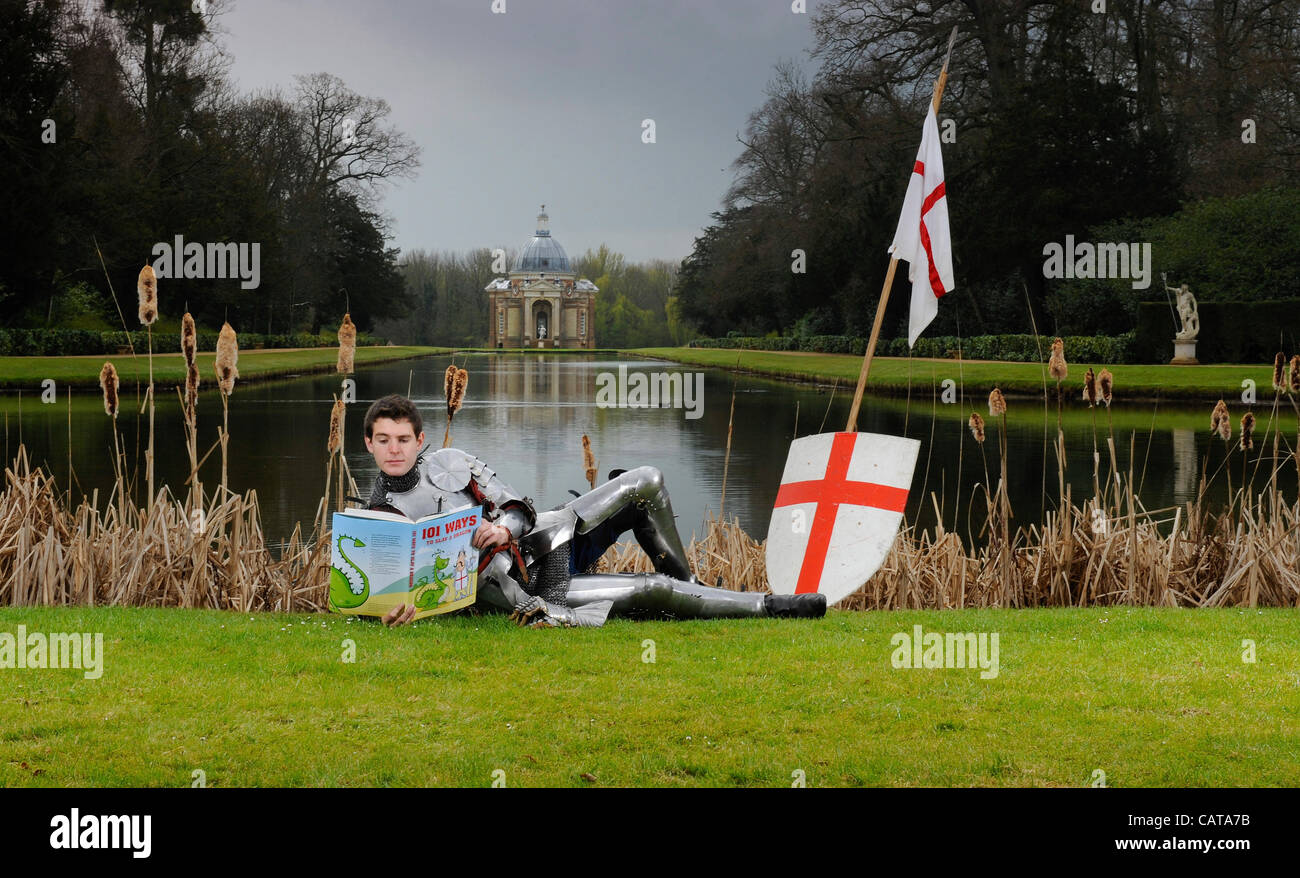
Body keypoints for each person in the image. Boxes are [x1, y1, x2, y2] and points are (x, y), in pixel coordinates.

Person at [359, 394, 826, 628]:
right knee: (652, 589)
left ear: (420, 440)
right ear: (370, 444)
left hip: (549, 537)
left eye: (403, 439)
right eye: (384, 440)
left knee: (646, 480)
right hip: (533, 588)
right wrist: (402, 612)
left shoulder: (451, 460)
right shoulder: (375, 517)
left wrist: (503, 527)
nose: (394, 450)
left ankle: (695, 592)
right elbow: (373, 597)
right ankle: (771, 606)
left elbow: (520, 505)